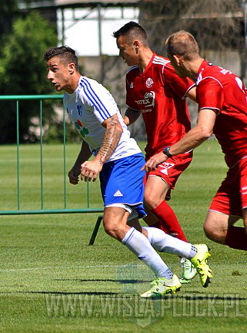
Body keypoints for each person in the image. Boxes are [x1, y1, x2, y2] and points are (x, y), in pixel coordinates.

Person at [45, 45, 211, 298]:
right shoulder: (69, 97)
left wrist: (98, 161)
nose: (49, 76)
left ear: (71, 68)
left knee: (113, 226)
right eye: (48, 70)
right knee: (133, 230)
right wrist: (80, 163)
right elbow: (89, 135)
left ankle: (166, 277)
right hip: (111, 164)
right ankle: (192, 252)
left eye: (53, 70)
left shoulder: (90, 90)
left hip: (124, 161)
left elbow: (115, 127)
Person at [146, 31, 247, 254]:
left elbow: (203, 130)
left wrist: (166, 153)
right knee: (215, 228)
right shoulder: (218, 74)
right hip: (238, 164)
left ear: (176, 60)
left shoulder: (209, 82)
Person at [113, 21, 199, 283]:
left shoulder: (166, 69)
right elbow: (134, 109)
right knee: (144, 207)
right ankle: (179, 251)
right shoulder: (132, 77)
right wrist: (122, 123)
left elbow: (199, 95)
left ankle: (189, 255)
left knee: (150, 198)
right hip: (152, 151)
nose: (120, 55)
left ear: (136, 45)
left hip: (175, 147)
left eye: (122, 49)